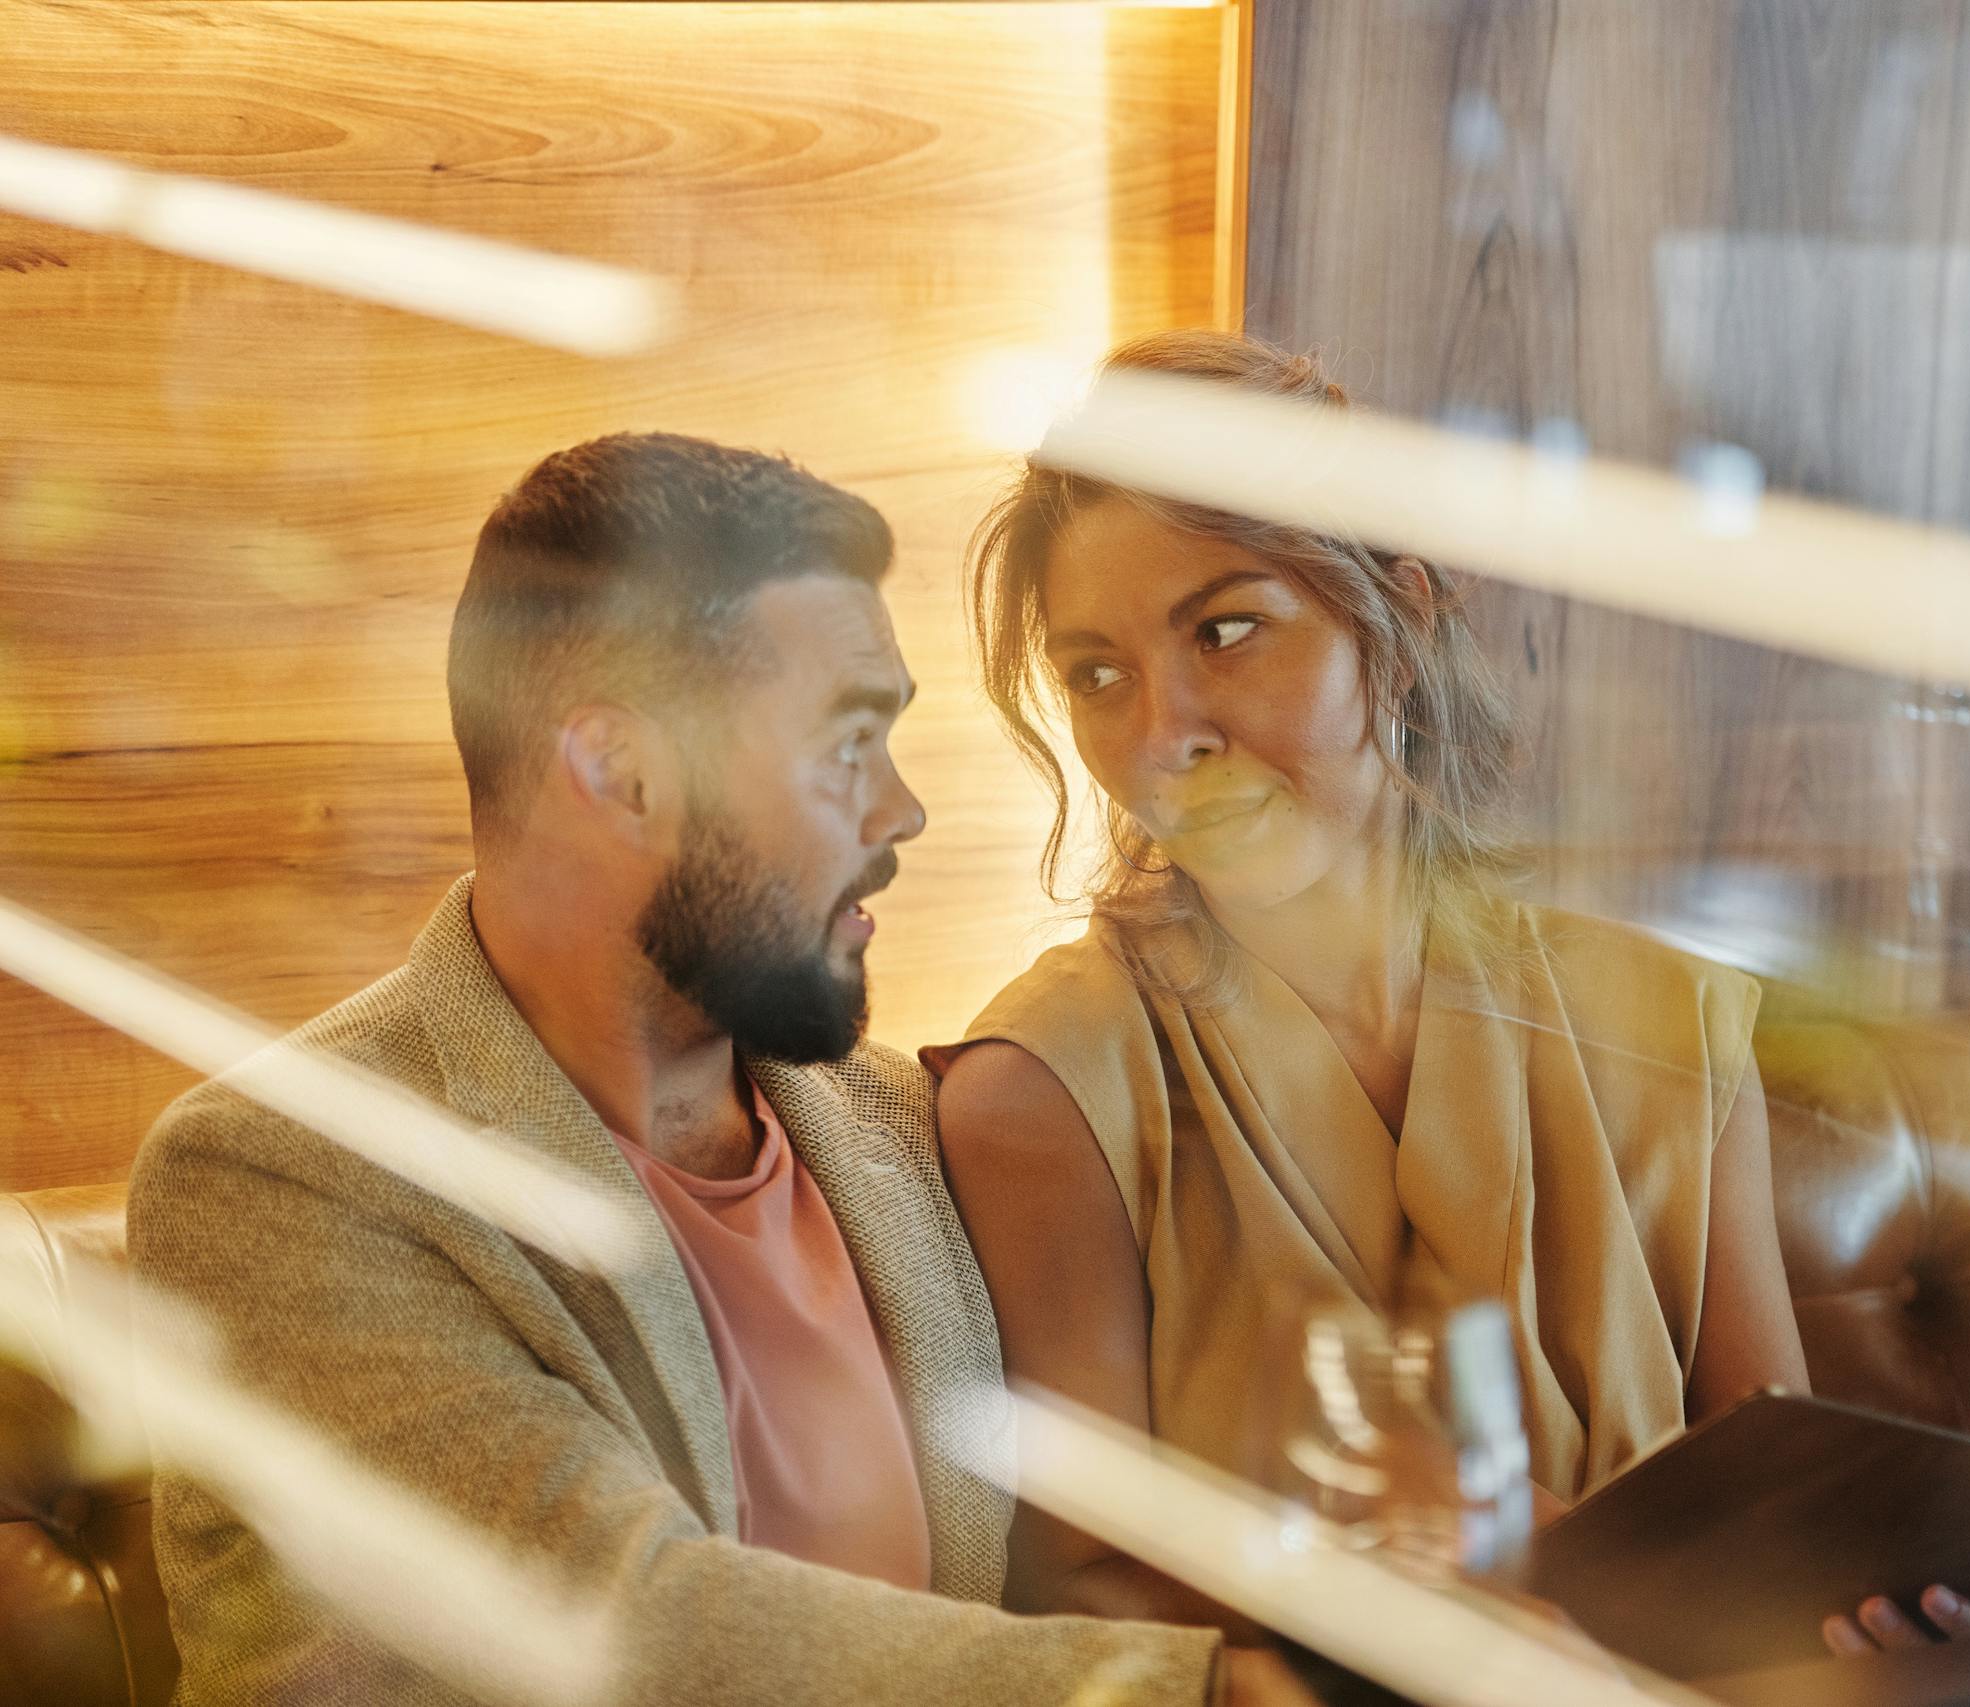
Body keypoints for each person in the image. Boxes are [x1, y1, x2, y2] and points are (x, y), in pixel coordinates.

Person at [126, 433, 1313, 1705]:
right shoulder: (278, 1178)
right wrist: (1211, 1694)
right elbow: (624, 1622)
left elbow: (1091, 1546)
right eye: (846, 744)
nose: (901, 810)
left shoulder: (904, 1127)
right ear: (623, 773)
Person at [929, 333, 1970, 1659]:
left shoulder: (1663, 1021)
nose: (1163, 734)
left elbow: (1777, 1500)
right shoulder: (1043, 1087)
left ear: (1408, 620)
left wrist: (1876, 1610)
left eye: (1226, 629)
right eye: (1097, 675)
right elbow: (1076, 1584)